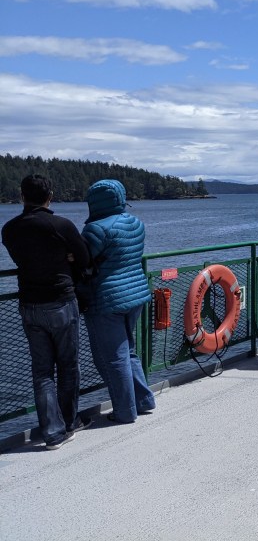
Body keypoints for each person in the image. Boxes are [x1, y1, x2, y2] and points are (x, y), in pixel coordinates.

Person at [2, 175, 92, 450]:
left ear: (22, 196)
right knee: (68, 366)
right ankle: (69, 423)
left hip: (29, 304)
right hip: (61, 302)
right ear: (50, 197)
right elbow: (85, 258)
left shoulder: (9, 229)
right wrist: (70, 258)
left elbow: (23, 259)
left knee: (42, 372)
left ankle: (52, 433)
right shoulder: (60, 225)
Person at [81, 179, 156, 424]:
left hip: (107, 299)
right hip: (136, 294)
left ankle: (125, 411)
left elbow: (81, 260)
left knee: (112, 358)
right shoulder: (136, 223)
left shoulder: (95, 229)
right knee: (128, 352)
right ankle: (143, 400)